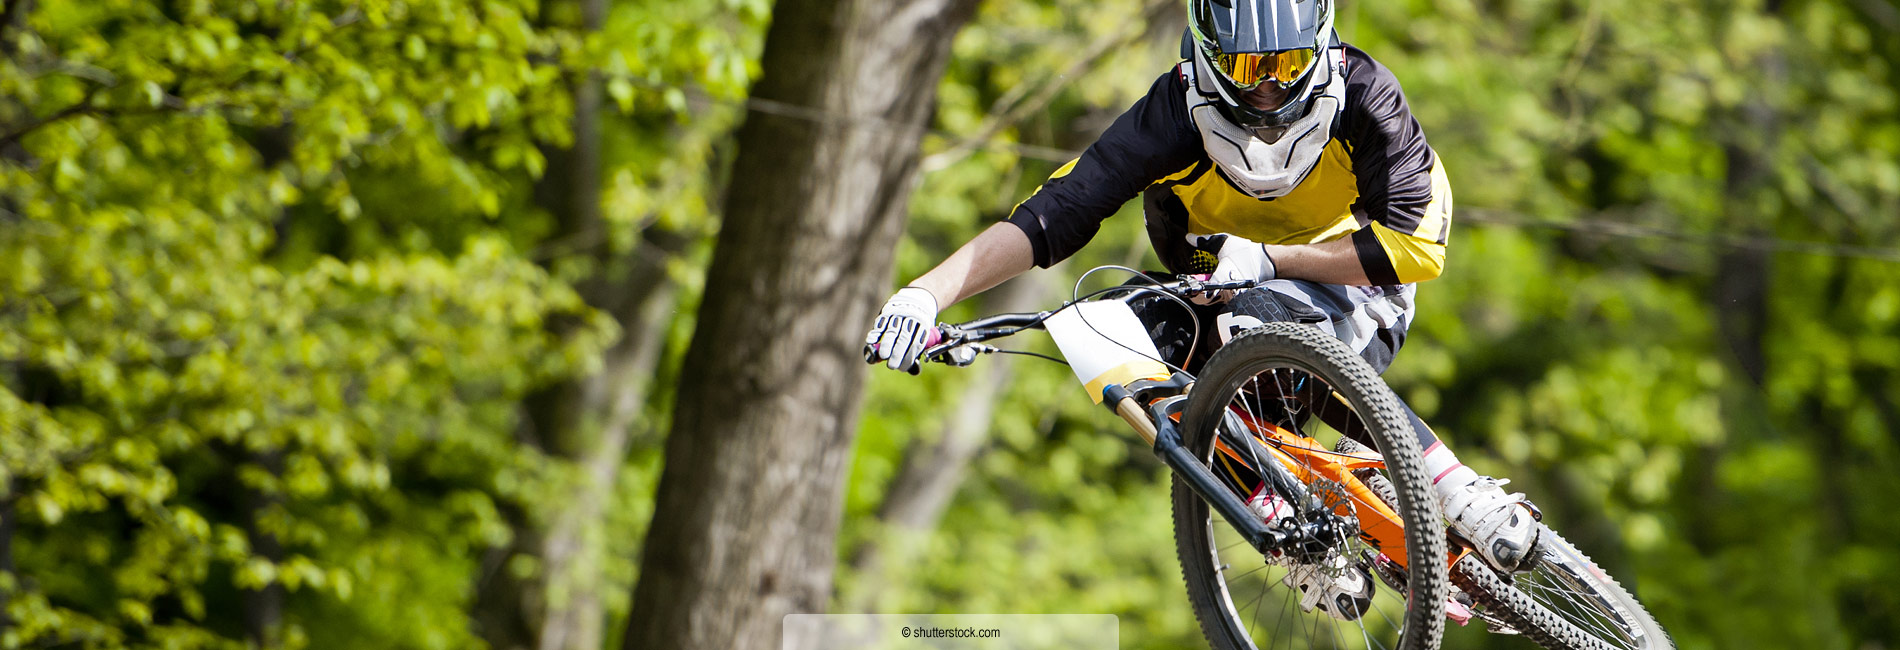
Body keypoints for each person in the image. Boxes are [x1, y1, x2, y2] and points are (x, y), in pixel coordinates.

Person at [863, 0, 1539, 617]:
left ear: (1323, 51)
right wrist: (925, 294)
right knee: (1108, 333)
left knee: (1258, 313)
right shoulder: (1172, 114)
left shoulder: (1364, 93)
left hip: (1362, 284)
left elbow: (1415, 251)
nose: (1270, 89)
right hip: (1222, 302)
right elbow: (1051, 216)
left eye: (1288, 65)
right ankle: (1281, 522)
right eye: (1248, 68)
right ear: (1207, 60)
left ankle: (1453, 487)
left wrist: (1274, 258)